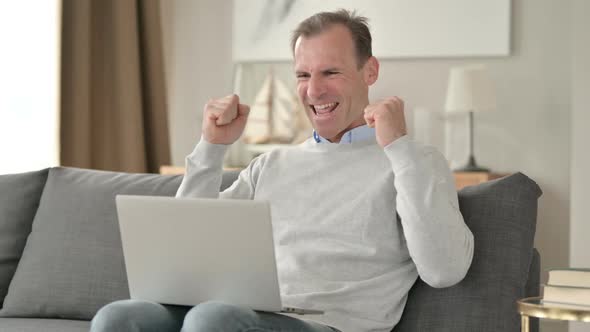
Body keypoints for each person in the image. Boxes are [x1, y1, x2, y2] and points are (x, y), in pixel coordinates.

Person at [91, 9, 473, 332]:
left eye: (331, 73)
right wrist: (212, 147)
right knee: (119, 317)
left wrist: (398, 147)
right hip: (241, 312)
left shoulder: (412, 162)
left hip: (327, 323)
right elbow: (186, 246)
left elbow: (444, 269)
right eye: (303, 76)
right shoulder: (271, 164)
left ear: (370, 71)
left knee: (212, 319)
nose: (314, 91)